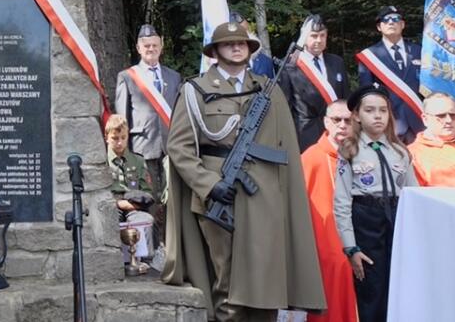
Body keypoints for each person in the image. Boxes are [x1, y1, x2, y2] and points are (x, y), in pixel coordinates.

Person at [163, 21, 324, 321]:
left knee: (267, 281)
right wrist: (210, 185)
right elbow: (180, 148)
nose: (237, 47)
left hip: (262, 197)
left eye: (242, 43)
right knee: (229, 284)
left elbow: (284, 146)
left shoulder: (268, 89)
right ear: (215, 51)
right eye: (228, 43)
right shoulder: (195, 91)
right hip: (219, 196)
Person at [334, 86, 417, 322]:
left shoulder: (400, 151)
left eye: (383, 110)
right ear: (357, 116)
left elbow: (415, 195)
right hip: (366, 221)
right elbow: (341, 202)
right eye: (370, 110)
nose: (378, 116)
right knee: (372, 291)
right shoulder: (349, 150)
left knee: (399, 287)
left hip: (397, 219)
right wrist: (351, 247)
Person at [299, 100, 359, 322]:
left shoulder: (362, 155)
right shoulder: (312, 158)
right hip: (325, 244)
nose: (342, 125)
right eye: (337, 120)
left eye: (348, 120)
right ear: (326, 122)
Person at [113, 23, 181, 205]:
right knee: (146, 199)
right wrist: (123, 150)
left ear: (161, 46)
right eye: (147, 46)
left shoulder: (174, 77)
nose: (151, 49)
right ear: (138, 48)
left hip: (171, 147)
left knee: (173, 201)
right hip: (142, 146)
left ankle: (170, 234)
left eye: (154, 45)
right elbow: (121, 118)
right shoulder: (127, 77)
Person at [354, 6, 423, 144]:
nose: (391, 22)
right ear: (379, 27)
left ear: (402, 24)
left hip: (419, 121)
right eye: (386, 20)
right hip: (389, 123)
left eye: (396, 19)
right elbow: (368, 95)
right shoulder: (370, 56)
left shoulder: (419, 51)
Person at [281, 15, 349, 152]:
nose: (318, 40)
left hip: (336, 129)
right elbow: (285, 105)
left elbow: (345, 97)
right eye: (313, 36)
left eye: (322, 35)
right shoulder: (290, 65)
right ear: (304, 37)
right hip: (305, 133)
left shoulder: (336, 62)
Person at [104, 115, 158, 274]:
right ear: (107, 137)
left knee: (145, 220)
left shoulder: (138, 161)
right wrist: (117, 203)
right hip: (111, 207)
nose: (119, 142)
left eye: (123, 137)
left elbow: (147, 192)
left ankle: (143, 261)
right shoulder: (100, 162)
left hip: (134, 207)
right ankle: (111, 261)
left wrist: (133, 204)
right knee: (107, 220)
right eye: (115, 138)